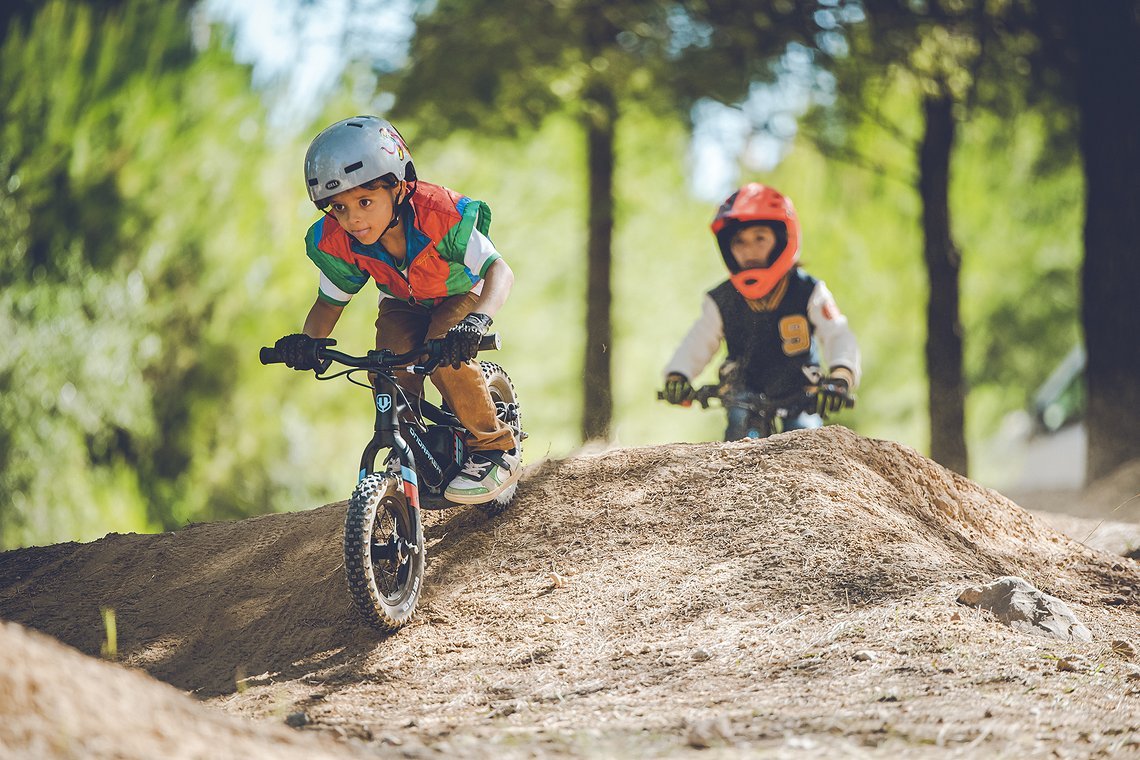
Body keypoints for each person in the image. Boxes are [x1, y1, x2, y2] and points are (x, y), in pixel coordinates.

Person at [272, 115, 519, 504]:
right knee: (386, 366)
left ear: (399, 187)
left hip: (459, 293)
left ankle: (493, 447)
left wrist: (477, 320)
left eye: (365, 201)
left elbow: (500, 272)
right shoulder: (342, 240)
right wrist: (306, 344)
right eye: (338, 207)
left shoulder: (442, 215)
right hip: (402, 301)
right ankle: (413, 452)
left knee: (444, 354)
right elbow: (328, 304)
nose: (352, 218)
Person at [662, 182, 861, 439]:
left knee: (807, 439)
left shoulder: (809, 291)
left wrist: (840, 375)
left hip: (801, 394)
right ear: (728, 248)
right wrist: (678, 375)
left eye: (760, 238)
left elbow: (838, 334)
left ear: (782, 239)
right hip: (743, 393)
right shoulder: (720, 299)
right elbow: (698, 340)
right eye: (739, 241)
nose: (749, 250)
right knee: (738, 438)